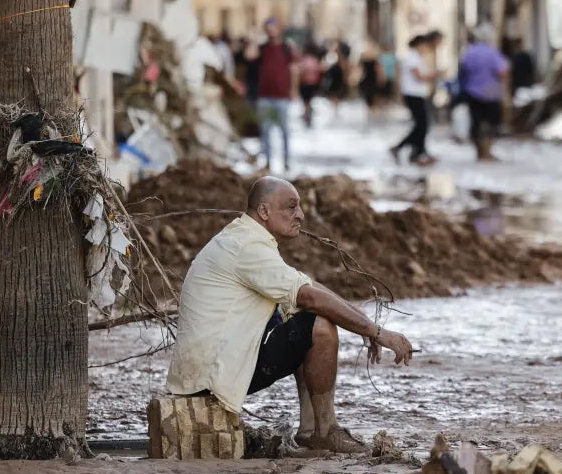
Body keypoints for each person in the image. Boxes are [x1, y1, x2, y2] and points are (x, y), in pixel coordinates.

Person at [167, 177, 416, 453]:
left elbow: (308, 286)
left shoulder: (246, 238)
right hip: (211, 376)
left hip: (208, 369)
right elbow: (309, 296)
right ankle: (323, 430)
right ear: (264, 212)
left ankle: (310, 430)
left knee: (301, 313)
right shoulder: (247, 247)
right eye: (291, 207)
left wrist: (367, 326)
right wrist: (376, 333)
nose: (301, 215)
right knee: (318, 325)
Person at [458, 23, 509, 162]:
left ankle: (479, 153)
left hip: (472, 92)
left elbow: (462, 71)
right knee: (491, 123)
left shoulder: (469, 52)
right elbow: (502, 71)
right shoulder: (492, 52)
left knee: (476, 122)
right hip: (491, 93)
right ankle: (488, 152)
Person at [390, 34, 441, 166]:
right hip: (412, 94)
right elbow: (419, 76)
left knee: (422, 125)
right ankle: (401, 147)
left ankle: (417, 152)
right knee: (421, 125)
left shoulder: (417, 57)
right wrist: (435, 75)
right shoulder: (412, 57)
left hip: (418, 94)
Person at [256, 18, 298, 171]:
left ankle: (286, 161)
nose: (270, 30)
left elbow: (294, 69)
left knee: (284, 130)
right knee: (265, 130)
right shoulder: (262, 48)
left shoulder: (286, 48)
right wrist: (254, 39)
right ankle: (267, 161)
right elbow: (249, 56)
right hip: (265, 95)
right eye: (268, 27)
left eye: (273, 27)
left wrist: (293, 89)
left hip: (282, 96)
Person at [299, 43, 323, 128]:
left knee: (306, 102)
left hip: (305, 84)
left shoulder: (303, 60)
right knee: (308, 101)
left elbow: (300, 71)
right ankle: (308, 114)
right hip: (312, 84)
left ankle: (307, 114)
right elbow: (319, 71)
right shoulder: (314, 60)